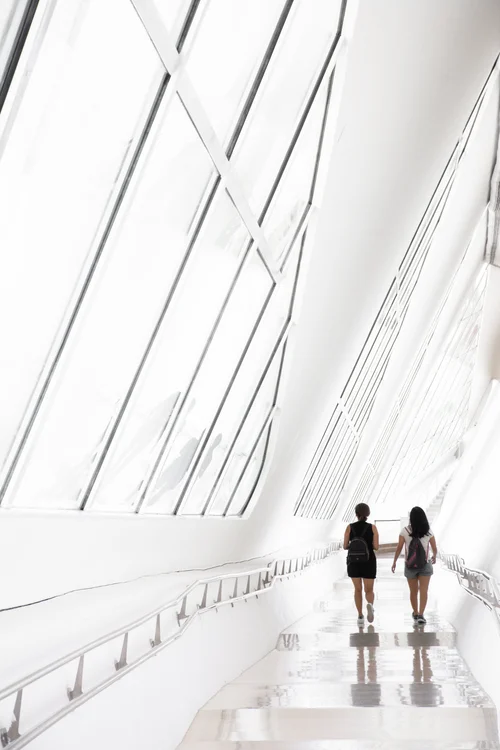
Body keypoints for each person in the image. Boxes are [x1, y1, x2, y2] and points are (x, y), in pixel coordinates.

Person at [392, 506, 437, 625]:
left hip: (410, 565)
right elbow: (434, 547)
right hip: (425, 564)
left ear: (411, 518)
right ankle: (421, 614)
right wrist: (434, 556)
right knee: (424, 590)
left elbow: (399, 548)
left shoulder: (405, 531)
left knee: (413, 591)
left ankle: (415, 613)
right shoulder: (428, 531)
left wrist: (394, 561)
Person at [344, 503, 379, 626]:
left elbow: (345, 546)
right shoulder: (373, 528)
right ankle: (370, 605)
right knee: (369, 590)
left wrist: (353, 545)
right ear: (368, 514)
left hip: (353, 562)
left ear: (356, 514)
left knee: (357, 589)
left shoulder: (349, 527)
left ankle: (360, 615)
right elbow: (376, 547)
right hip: (369, 561)